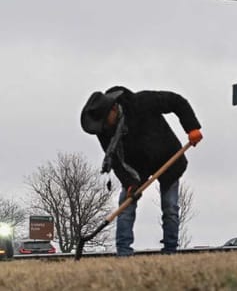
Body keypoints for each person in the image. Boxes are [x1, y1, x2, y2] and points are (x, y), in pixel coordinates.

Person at [80, 86, 203, 256]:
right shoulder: (104, 130)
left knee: (170, 207)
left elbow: (177, 101)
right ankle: (123, 253)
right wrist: (129, 183)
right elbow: (115, 160)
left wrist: (192, 128)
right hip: (136, 168)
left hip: (167, 156)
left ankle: (170, 251)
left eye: (105, 120)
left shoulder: (141, 102)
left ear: (114, 108)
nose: (104, 126)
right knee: (126, 205)